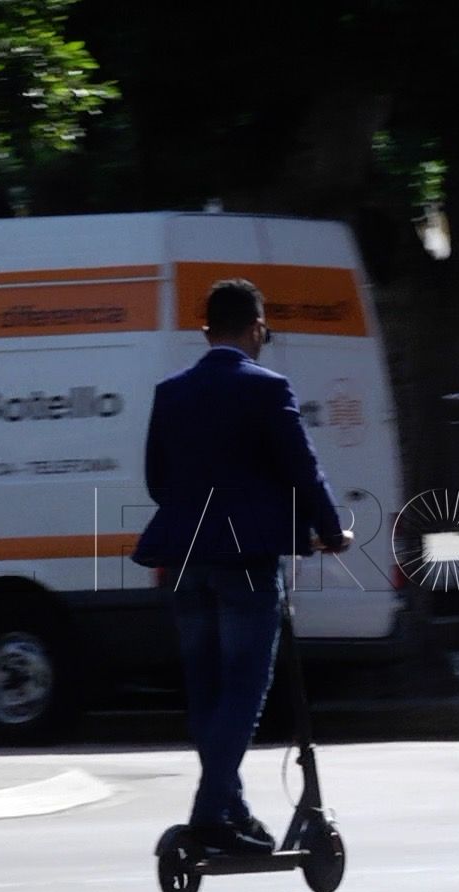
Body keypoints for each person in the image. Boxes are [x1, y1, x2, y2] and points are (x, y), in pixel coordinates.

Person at [133, 279, 352, 856]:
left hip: (184, 560)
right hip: (246, 562)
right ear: (258, 329)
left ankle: (231, 811)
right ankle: (212, 813)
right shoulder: (267, 388)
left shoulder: (171, 392)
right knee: (244, 688)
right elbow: (304, 470)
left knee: (207, 691)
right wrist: (332, 532)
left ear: (206, 331)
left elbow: (157, 480)